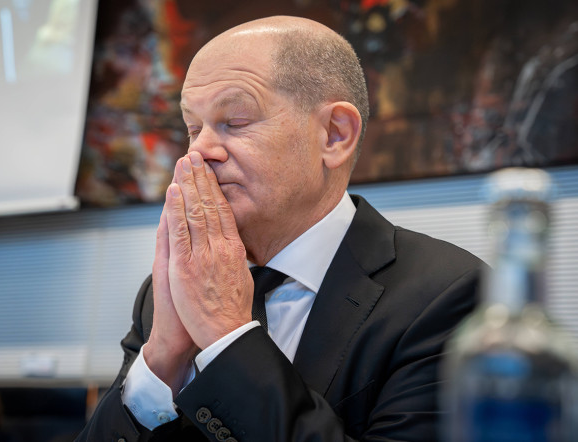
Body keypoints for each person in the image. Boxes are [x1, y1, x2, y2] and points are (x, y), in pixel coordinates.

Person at [76, 15, 486, 442]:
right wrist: (161, 359)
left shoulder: (448, 296)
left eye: (235, 121)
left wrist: (225, 334)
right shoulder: (167, 292)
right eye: (193, 129)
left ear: (334, 135)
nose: (199, 152)